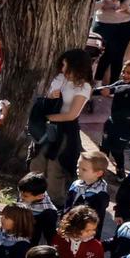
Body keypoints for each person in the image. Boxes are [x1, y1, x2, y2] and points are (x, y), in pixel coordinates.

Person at [37, 48, 96, 201]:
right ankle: (36, 195)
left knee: (55, 168)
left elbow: (71, 115)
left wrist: (46, 117)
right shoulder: (59, 78)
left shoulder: (84, 87)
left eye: (65, 66)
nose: (62, 69)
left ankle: (55, 201)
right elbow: (47, 99)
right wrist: (50, 96)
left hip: (65, 131)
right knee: (39, 161)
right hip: (48, 128)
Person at [92, 0, 130, 83]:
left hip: (124, 26)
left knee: (118, 56)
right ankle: (97, 82)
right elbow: (91, 7)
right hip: (103, 26)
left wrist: (127, 8)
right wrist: (103, 2)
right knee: (103, 55)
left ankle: (114, 84)